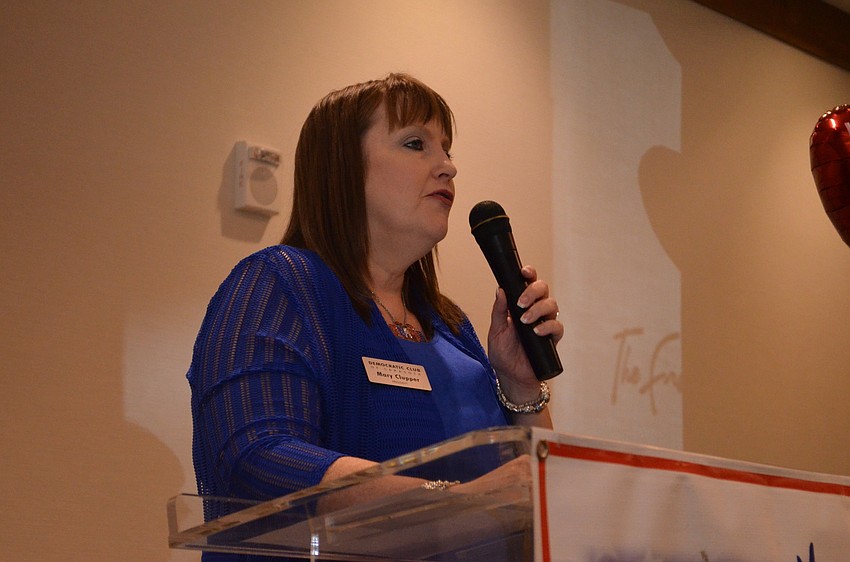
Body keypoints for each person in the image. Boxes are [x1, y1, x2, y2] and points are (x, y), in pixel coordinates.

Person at [186, 73, 563, 560]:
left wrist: (521, 388)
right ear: (344, 168)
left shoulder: (452, 327)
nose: (447, 167)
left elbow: (539, 490)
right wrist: (467, 501)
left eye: (446, 150)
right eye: (415, 144)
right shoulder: (280, 283)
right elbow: (258, 456)